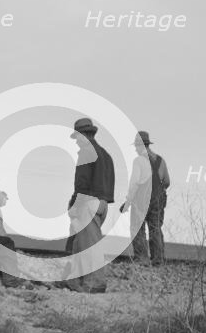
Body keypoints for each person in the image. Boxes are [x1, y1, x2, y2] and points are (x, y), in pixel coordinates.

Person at [63, 118, 115, 293]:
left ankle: (95, 283)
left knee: (89, 246)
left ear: (83, 134)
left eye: (77, 137)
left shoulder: (86, 152)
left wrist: (75, 205)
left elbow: (82, 183)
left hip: (88, 203)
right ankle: (74, 281)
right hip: (103, 204)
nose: (76, 141)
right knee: (80, 243)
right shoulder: (106, 155)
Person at [120, 131, 170, 266]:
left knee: (137, 228)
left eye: (136, 146)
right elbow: (167, 182)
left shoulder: (139, 161)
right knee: (155, 229)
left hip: (141, 200)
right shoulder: (160, 161)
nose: (136, 149)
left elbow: (134, 184)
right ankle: (158, 260)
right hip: (158, 200)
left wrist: (127, 203)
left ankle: (142, 259)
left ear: (140, 146)